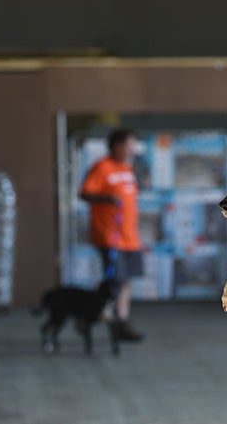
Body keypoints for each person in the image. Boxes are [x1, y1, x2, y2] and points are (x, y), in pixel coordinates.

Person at [80, 128, 145, 342]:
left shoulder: (128, 168)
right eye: (129, 145)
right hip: (110, 236)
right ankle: (92, 317)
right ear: (116, 146)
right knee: (114, 281)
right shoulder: (102, 167)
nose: (132, 149)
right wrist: (107, 199)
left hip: (130, 237)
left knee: (125, 281)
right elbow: (85, 193)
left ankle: (121, 321)